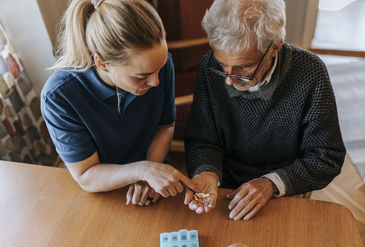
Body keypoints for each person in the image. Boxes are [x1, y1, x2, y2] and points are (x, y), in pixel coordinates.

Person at [184, 0, 346, 220]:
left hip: (284, 188)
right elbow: (202, 138)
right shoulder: (210, 66)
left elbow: (327, 157)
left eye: (243, 68)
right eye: (223, 66)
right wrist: (206, 172)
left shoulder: (311, 73)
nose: (230, 81)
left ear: (275, 47)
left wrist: (271, 183)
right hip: (223, 183)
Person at [41, 0, 199, 206]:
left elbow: (165, 126)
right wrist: (142, 171)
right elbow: (86, 175)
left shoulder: (158, 65)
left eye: (159, 69)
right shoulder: (59, 96)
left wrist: (151, 172)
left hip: (153, 169)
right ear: (102, 63)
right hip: (100, 189)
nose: (156, 81)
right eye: (142, 76)